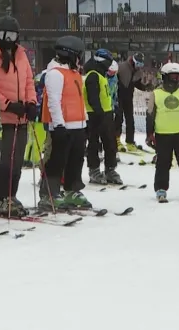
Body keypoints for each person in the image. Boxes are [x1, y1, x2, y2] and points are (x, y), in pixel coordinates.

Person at [0, 15, 37, 218]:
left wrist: (31, 103)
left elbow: (29, 82)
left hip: (21, 117)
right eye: (6, 35)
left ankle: (11, 195)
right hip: (4, 118)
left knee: (17, 161)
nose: (9, 39)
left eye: (13, 35)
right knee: (6, 159)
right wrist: (7, 105)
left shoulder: (21, 56)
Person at [39, 35, 90, 210]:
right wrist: (59, 125)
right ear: (69, 55)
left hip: (78, 125)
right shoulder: (54, 74)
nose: (80, 59)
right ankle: (49, 194)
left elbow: (79, 100)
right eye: (78, 55)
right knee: (57, 161)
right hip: (62, 126)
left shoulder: (74, 73)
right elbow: (54, 101)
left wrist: (85, 122)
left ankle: (72, 190)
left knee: (76, 160)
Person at [146, 62, 179, 203]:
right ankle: (161, 189)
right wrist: (149, 133)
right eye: (173, 77)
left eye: (178, 77)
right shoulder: (156, 94)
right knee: (163, 163)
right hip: (162, 135)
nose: (176, 80)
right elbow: (150, 114)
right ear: (165, 77)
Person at [84, 48, 120, 185]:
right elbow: (93, 97)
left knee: (110, 143)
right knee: (94, 143)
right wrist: (99, 112)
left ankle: (110, 169)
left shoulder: (101, 75)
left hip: (106, 113)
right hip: (95, 115)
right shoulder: (93, 75)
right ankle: (94, 170)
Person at [115, 52, 146, 151]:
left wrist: (145, 87)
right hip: (118, 96)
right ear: (133, 61)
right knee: (118, 118)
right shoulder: (122, 67)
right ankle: (116, 139)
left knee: (130, 120)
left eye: (141, 65)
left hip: (129, 97)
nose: (139, 67)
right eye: (138, 64)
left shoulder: (138, 72)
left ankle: (130, 141)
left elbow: (136, 83)